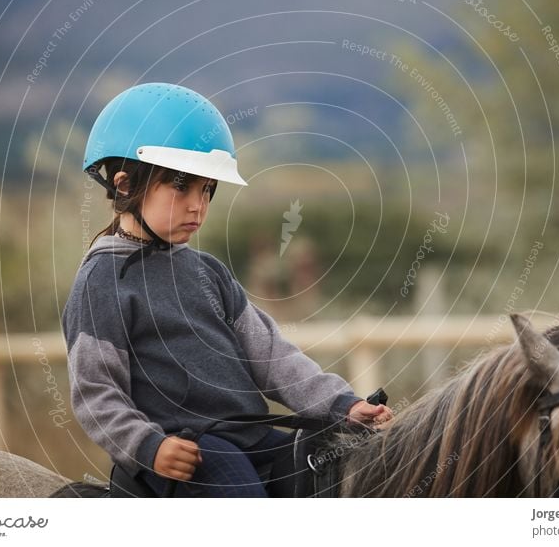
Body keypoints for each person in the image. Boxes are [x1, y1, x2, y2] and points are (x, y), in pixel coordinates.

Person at [62, 83, 393, 497]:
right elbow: (96, 392)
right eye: (182, 188)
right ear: (126, 185)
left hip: (250, 439)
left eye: (207, 191)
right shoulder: (102, 280)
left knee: (340, 474)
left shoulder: (209, 272)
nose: (198, 206)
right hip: (187, 450)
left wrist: (342, 405)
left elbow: (272, 356)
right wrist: (149, 446)